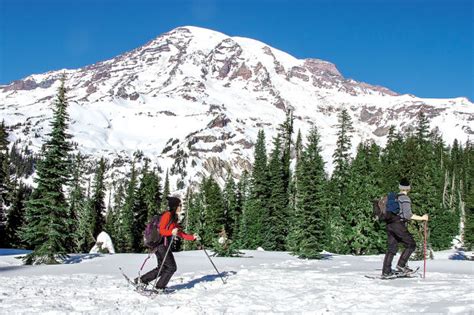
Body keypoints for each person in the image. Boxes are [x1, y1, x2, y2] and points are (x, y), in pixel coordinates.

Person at [136, 196, 198, 290]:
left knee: (162, 268)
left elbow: (180, 233)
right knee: (171, 267)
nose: (181, 207)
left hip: (161, 245)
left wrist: (192, 237)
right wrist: (171, 232)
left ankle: (141, 280)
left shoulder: (173, 217)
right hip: (161, 245)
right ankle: (160, 287)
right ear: (174, 206)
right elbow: (161, 230)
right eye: (179, 205)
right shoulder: (167, 215)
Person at [382, 178, 428, 278]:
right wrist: (422, 218)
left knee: (391, 248)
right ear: (408, 188)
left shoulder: (393, 197)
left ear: (400, 187)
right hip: (398, 224)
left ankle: (386, 271)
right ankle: (401, 265)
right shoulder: (405, 198)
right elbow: (408, 215)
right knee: (411, 244)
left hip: (389, 224)